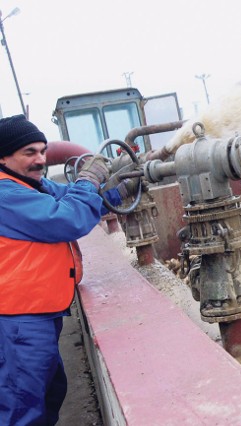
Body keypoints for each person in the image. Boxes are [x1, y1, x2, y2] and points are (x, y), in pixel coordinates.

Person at [0, 114, 135, 425]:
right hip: (17, 322)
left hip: (39, 314)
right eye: (29, 153)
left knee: (48, 394)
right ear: (3, 156)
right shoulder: (6, 195)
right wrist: (88, 180)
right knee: (22, 407)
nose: (40, 160)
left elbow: (75, 203)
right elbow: (67, 219)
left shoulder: (32, 184)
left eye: (42, 150)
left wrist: (119, 190)